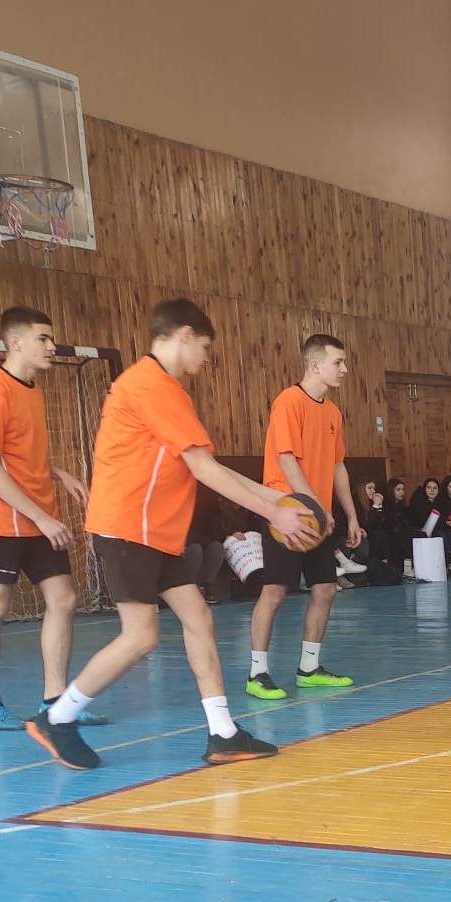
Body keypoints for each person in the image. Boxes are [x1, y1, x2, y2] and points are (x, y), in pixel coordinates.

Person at [25, 297, 317, 772]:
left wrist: (279, 501)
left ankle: (223, 733)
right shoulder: (150, 386)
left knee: (198, 617)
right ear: (184, 336)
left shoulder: (163, 388)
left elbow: (207, 465)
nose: (206, 359)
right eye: (205, 347)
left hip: (154, 532)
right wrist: (274, 512)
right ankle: (57, 718)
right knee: (141, 636)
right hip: (128, 529)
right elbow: (204, 469)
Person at [0, 305, 106, 731]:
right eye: (43, 338)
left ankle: (55, 701)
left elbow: (22, 454)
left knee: (63, 599)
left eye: (51, 338)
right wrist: (40, 518)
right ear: (15, 342)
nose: (52, 346)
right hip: (5, 521)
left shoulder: (32, 390)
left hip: (41, 516)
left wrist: (58, 474)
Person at [246, 335, 362, 699]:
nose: (344, 369)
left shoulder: (333, 413)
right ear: (315, 365)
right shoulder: (288, 401)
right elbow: (286, 460)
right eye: (337, 362)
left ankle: (309, 668)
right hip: (285, 512)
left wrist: (351, 514)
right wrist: (315, 506)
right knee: (275, 590)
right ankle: (257, 673)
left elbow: (338, 466)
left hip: (318, 517)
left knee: (325, 588)